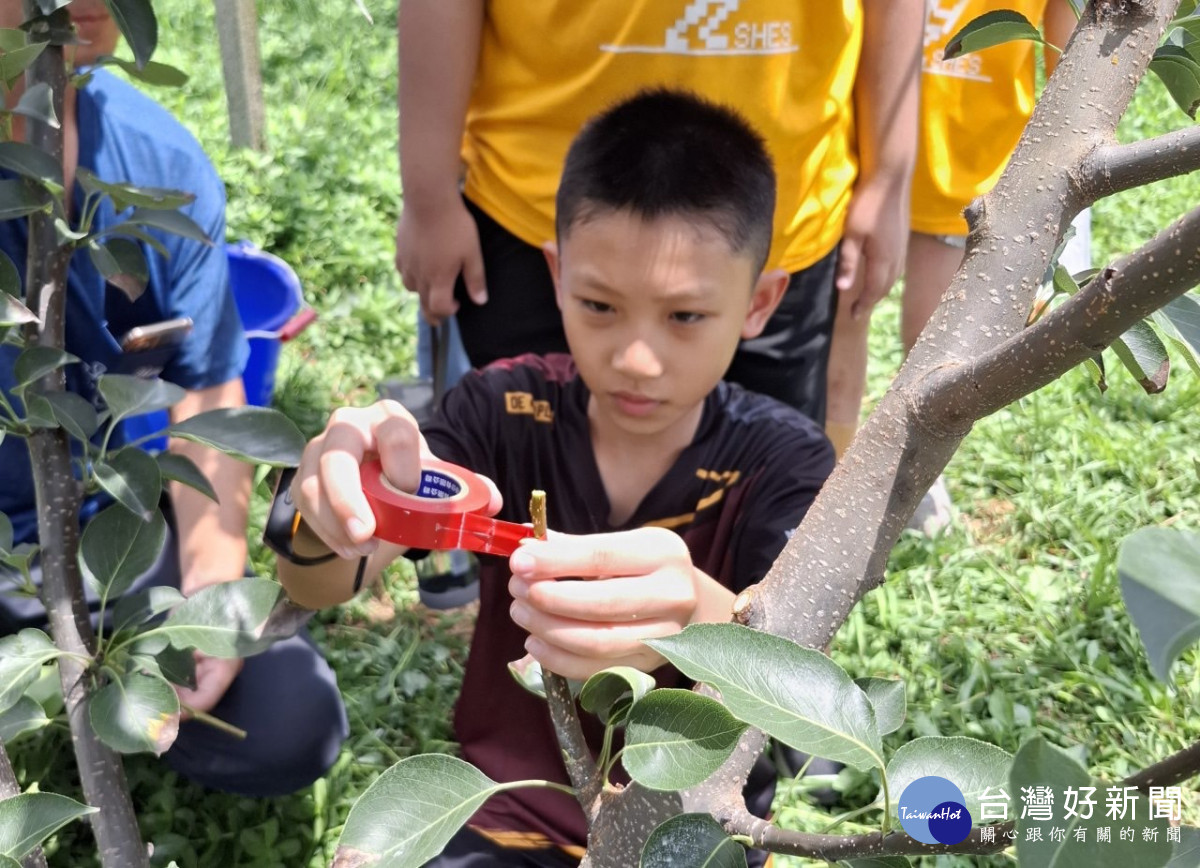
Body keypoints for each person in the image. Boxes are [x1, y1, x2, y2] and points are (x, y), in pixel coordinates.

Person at [282, 91, 836, 867]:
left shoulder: (790, 461)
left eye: (684, 317)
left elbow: (802, 680)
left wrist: (709, 620)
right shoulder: (499, 411)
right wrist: (334, 508)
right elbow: (323, 584)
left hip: (691, 831)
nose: (637, 359)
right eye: (599, 304)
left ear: (761, 301)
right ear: (555, 271)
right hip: (501, 814)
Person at [0, 1, 347, 797]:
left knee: (288, 719)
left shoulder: (156, 167)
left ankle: (108, 692)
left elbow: (207, 396)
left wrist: (210, 602)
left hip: (111, 534)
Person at [394, 0, 922, 428]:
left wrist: (889, 177)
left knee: (751, 496)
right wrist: (429, 195)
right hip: (537, 207)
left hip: (777, 221)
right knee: (530, 476)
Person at [903, 0, 1082, 531]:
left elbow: (1078, 67)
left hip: (972, 158)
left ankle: (913, 469)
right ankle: (818, 461)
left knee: (935, 340)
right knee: (839, 323)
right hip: (858, 152)